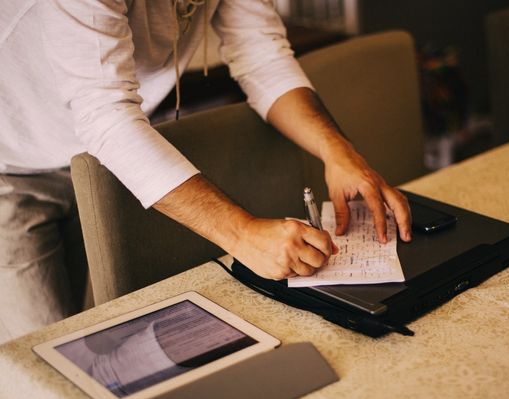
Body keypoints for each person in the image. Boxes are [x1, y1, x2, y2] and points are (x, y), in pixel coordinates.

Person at [0, 0, 412, 344]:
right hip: (11, 166)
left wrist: (338, 152)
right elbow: (106, 117)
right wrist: (243, 234)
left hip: (96, 160)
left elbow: (262, 55)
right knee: (47, 352)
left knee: (103, 336)